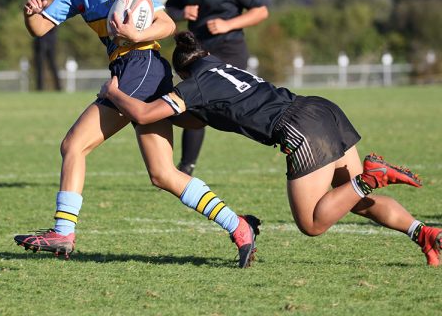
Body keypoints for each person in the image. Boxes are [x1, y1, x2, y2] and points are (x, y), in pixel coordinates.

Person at [14, 0, 261, 268]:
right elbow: (40, 28)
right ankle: (239, 227)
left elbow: (167, 25)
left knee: (74, 145)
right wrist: (30, 15)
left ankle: (63, 232)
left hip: (140, 66)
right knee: (162, 174)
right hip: (134, 71)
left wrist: (132, 36)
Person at [98, 31, 442, 267]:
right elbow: (198, 120)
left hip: (298, 129)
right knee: (351, 200)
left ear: (182, 74)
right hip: (322, 109)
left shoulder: (194, 85)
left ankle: (371, 177)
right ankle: (422, 232)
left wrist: (113, 92)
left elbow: (143, 113)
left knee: (312, 223)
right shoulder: (221, 67)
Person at [165, 0, 269, 176]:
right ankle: (186, 167)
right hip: (196, 54)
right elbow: (168, 10)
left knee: (232, 108)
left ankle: (276, 133)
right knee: (194, 104)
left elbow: (260, 11)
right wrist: (182, 13)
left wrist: (228, 24)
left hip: (229, 51)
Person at [32, 0, 62, 91]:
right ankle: (39, 88)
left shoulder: (53, 11)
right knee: (39, 66)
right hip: (40, 42)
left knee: (53, 65)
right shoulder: (38, 12)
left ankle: (58, 88)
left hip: (51, 42)